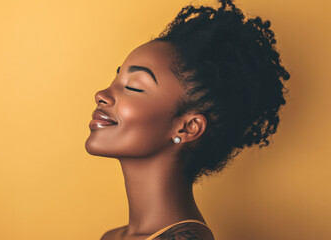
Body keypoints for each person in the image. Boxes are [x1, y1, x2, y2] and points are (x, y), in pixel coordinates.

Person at [84, 0, 290, 239]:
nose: (102, 95)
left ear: (188, 127)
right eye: (116, 79)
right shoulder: (113, 236)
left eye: (134, 87)